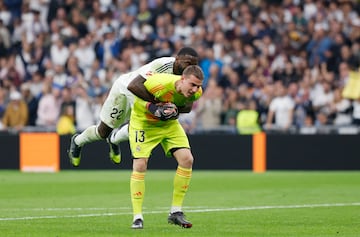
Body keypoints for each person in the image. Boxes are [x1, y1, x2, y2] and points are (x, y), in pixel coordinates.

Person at [68, 47, 199, 167]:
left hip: (145, 98)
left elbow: (187, 106)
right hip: (125, 91)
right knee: (104, 131)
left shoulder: (188, 78)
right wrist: (155, 105)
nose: (190, 67)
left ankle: (114, 140)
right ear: (177, 60)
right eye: (188, 63)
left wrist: (173, 109)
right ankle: (78, 141)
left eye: (194, 65)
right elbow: (134, 85)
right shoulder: (162, 65)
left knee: (147, 122)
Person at [127, 65, 204, 229]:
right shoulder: (160, 82)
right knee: (140, 164)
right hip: (143, 123)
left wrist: (175, 112)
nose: (195, 89)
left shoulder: (196, 93)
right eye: (192, 85)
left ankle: (175, 212)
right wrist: (153, 108)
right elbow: (135, 96)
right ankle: (137, 216)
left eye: (198, 86)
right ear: (182, 79)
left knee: (187, 159)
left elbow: (187, 106)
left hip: (168, 125)